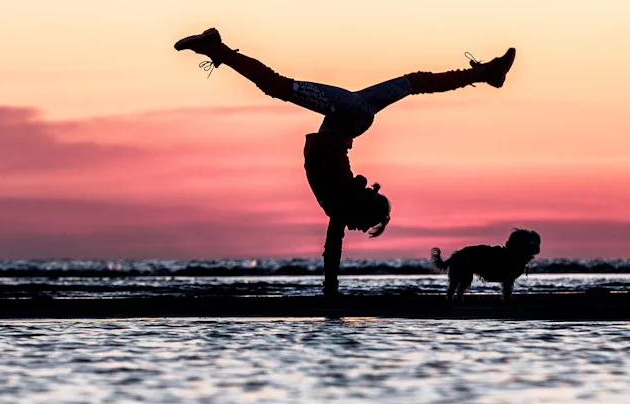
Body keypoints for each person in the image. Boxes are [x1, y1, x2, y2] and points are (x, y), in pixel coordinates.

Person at [174, 28, 515, 297]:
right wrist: (330, 290)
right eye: (363, 224)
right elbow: (332, 251)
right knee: (276, 86)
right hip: (346, 114)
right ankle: (215, 48)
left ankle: (487, 74)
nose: (355, 229)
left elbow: (335, 242)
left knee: (414, 82)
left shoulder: (345, 199)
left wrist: (331, 289)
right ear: (361, 210)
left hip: (355, 118)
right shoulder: (342, 203)